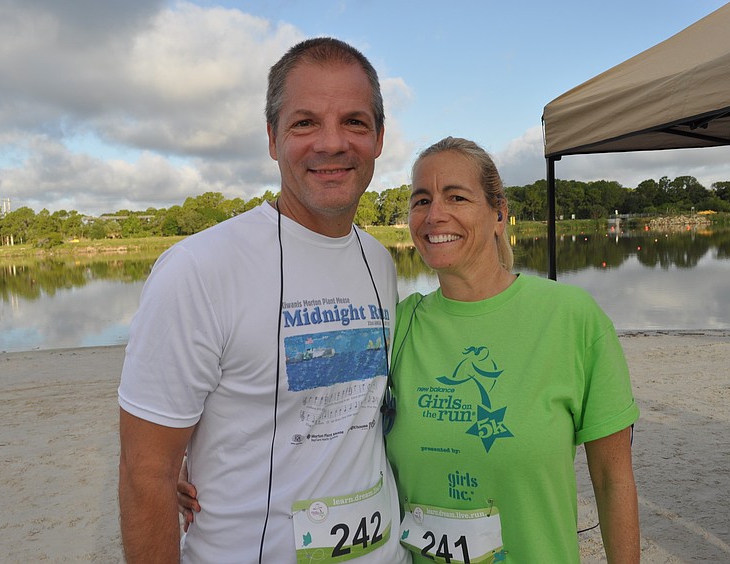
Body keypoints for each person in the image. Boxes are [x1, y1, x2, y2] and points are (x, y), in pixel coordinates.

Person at [118, 37, 410, 564]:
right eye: (304, 123)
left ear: (380, 138)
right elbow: (146, 472)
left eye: (354, 122)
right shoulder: (199, 271)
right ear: (273, 139)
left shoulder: (380, 262)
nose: (331, 143)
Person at [384, 137, 640, 563]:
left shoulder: (571, 318)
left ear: (499, 214)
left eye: (456, 197)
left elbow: (613, 479)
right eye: (421, 200)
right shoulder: (398, 326)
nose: (434, 215)